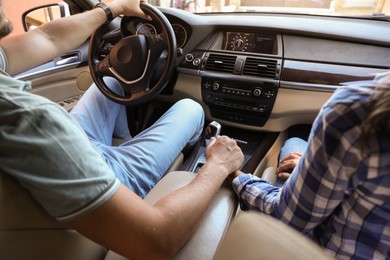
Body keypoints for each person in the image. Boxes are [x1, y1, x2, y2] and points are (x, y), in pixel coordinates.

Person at [0, 0, 244, 259]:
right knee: (191, 108)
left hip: (72, 148)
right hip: (105, 171)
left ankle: (131, 145)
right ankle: (135, 164)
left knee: (111, 84)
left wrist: (112, 8)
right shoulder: (26, 116)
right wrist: (217, 165)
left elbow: (48, 37)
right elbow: (156, 239)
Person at [229, 73, 390, 259]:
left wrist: (235, 175)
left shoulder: (359, 112)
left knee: (291, 150)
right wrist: (315, 168)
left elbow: (285, 219)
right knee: (297, 146)